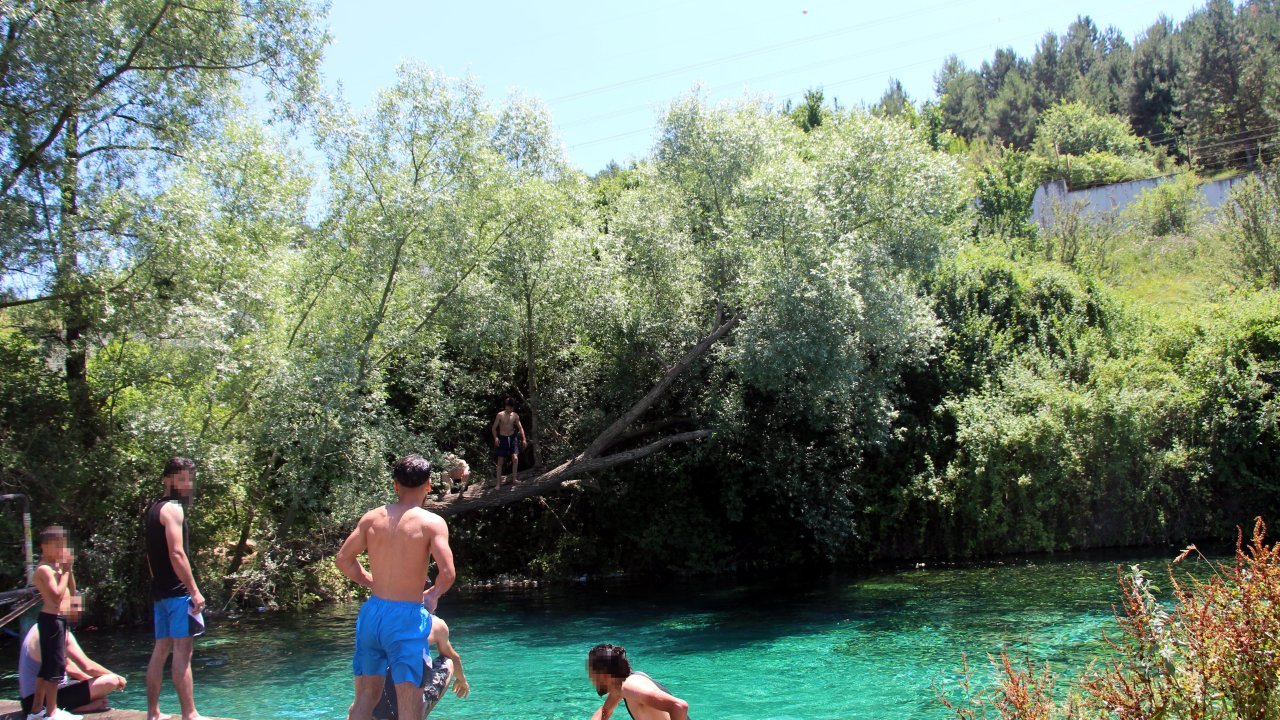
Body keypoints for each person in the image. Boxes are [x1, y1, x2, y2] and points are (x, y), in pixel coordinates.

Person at [336, 454, 457, 720]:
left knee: (366, 697)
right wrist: (433, 594)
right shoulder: (431, 523)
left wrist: (370, 581)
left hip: (371, 614)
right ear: (428, 486)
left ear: (395, 486)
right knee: (409, 698)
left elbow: (343, 560)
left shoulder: (372, 518)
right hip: (406, 618)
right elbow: (447, 573)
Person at [144, 457, 206, 720]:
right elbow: (177, 553)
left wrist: (157, 583)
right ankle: (189, 714)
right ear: (167, 479)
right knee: (182, 652)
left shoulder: (153, 509)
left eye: (189, 478)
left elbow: (149, 557)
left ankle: (152, 713)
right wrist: (194, 590)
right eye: (181, 478)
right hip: (178, 594)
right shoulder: (173, 509)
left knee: (160, 651)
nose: (186, 483)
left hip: (160, 593)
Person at [18, 596, 127, 717]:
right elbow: (87, 666)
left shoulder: (40, 626)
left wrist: (94, 686)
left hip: (27, 702)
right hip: (40, 700)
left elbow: (70, 667)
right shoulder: (59, 630)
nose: (78, 611)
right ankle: (77, 709)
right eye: (75, 607)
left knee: (99, 688)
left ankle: (76, 706)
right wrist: (118, 678)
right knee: (111, 681)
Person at [371, 614, 470, 719]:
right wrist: (462, 680)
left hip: (376, 704)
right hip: (407, 704)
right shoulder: (434, 624)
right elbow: (453, 658)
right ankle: (418, 715)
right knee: (448, 662)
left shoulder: (384, 619)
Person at [29, 526, 78, 720]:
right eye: (56, 546)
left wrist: (69, 570)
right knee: (55, 667)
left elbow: (71, 592)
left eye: (63, 546)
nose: (61, 549)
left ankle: (35, 710)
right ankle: (51, 712)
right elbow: (57, 597)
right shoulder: (44, 569)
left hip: (58, 620)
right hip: (51, 619)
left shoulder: (57, 567)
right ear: (44, 547)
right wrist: (64, 572)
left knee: (47, 665)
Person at [587, 644, 689, 720]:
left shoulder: (630, 686)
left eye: (591, 673)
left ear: (603, 675)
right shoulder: (620, 687)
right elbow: (604, 712)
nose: (590, 678)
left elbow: (679, 706)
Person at [490, 396, 527, 488]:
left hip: (512, 437)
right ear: (505, 406)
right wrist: (496, 438)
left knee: (515, 458)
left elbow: (520, 428)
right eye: (508, 407)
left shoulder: (515, 415)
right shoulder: (500, 415)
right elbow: (494, 428)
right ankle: (498, 484)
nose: (510, 409)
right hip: (502, 438)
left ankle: (514, 479)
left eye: (511, 407)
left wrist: (524, 439)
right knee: (500, 461)